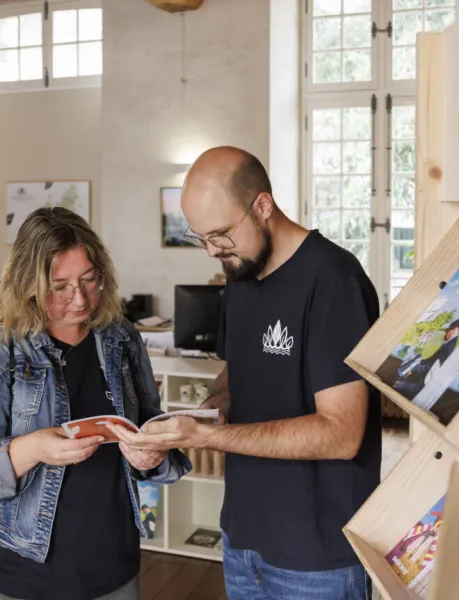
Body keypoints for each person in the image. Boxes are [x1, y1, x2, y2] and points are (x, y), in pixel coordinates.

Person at [108, 147, 382, 600]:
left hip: (315, 555)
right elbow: (236, 374)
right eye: (201, 238)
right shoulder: (239, 274)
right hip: (242, 539)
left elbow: (342, 434)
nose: (213, 251)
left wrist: (209, 437)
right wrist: (205, 413)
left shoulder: (334, 279)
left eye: (220, 234)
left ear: (262, 206)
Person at [0, 207, 191, 600]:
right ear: (28, 283)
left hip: (113, 561)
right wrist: (32, 449)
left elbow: (149, 424)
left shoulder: (121, 338)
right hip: (24, 570)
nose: (80, 299)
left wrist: (153, 455)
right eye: (60, 286)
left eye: (89, 279)